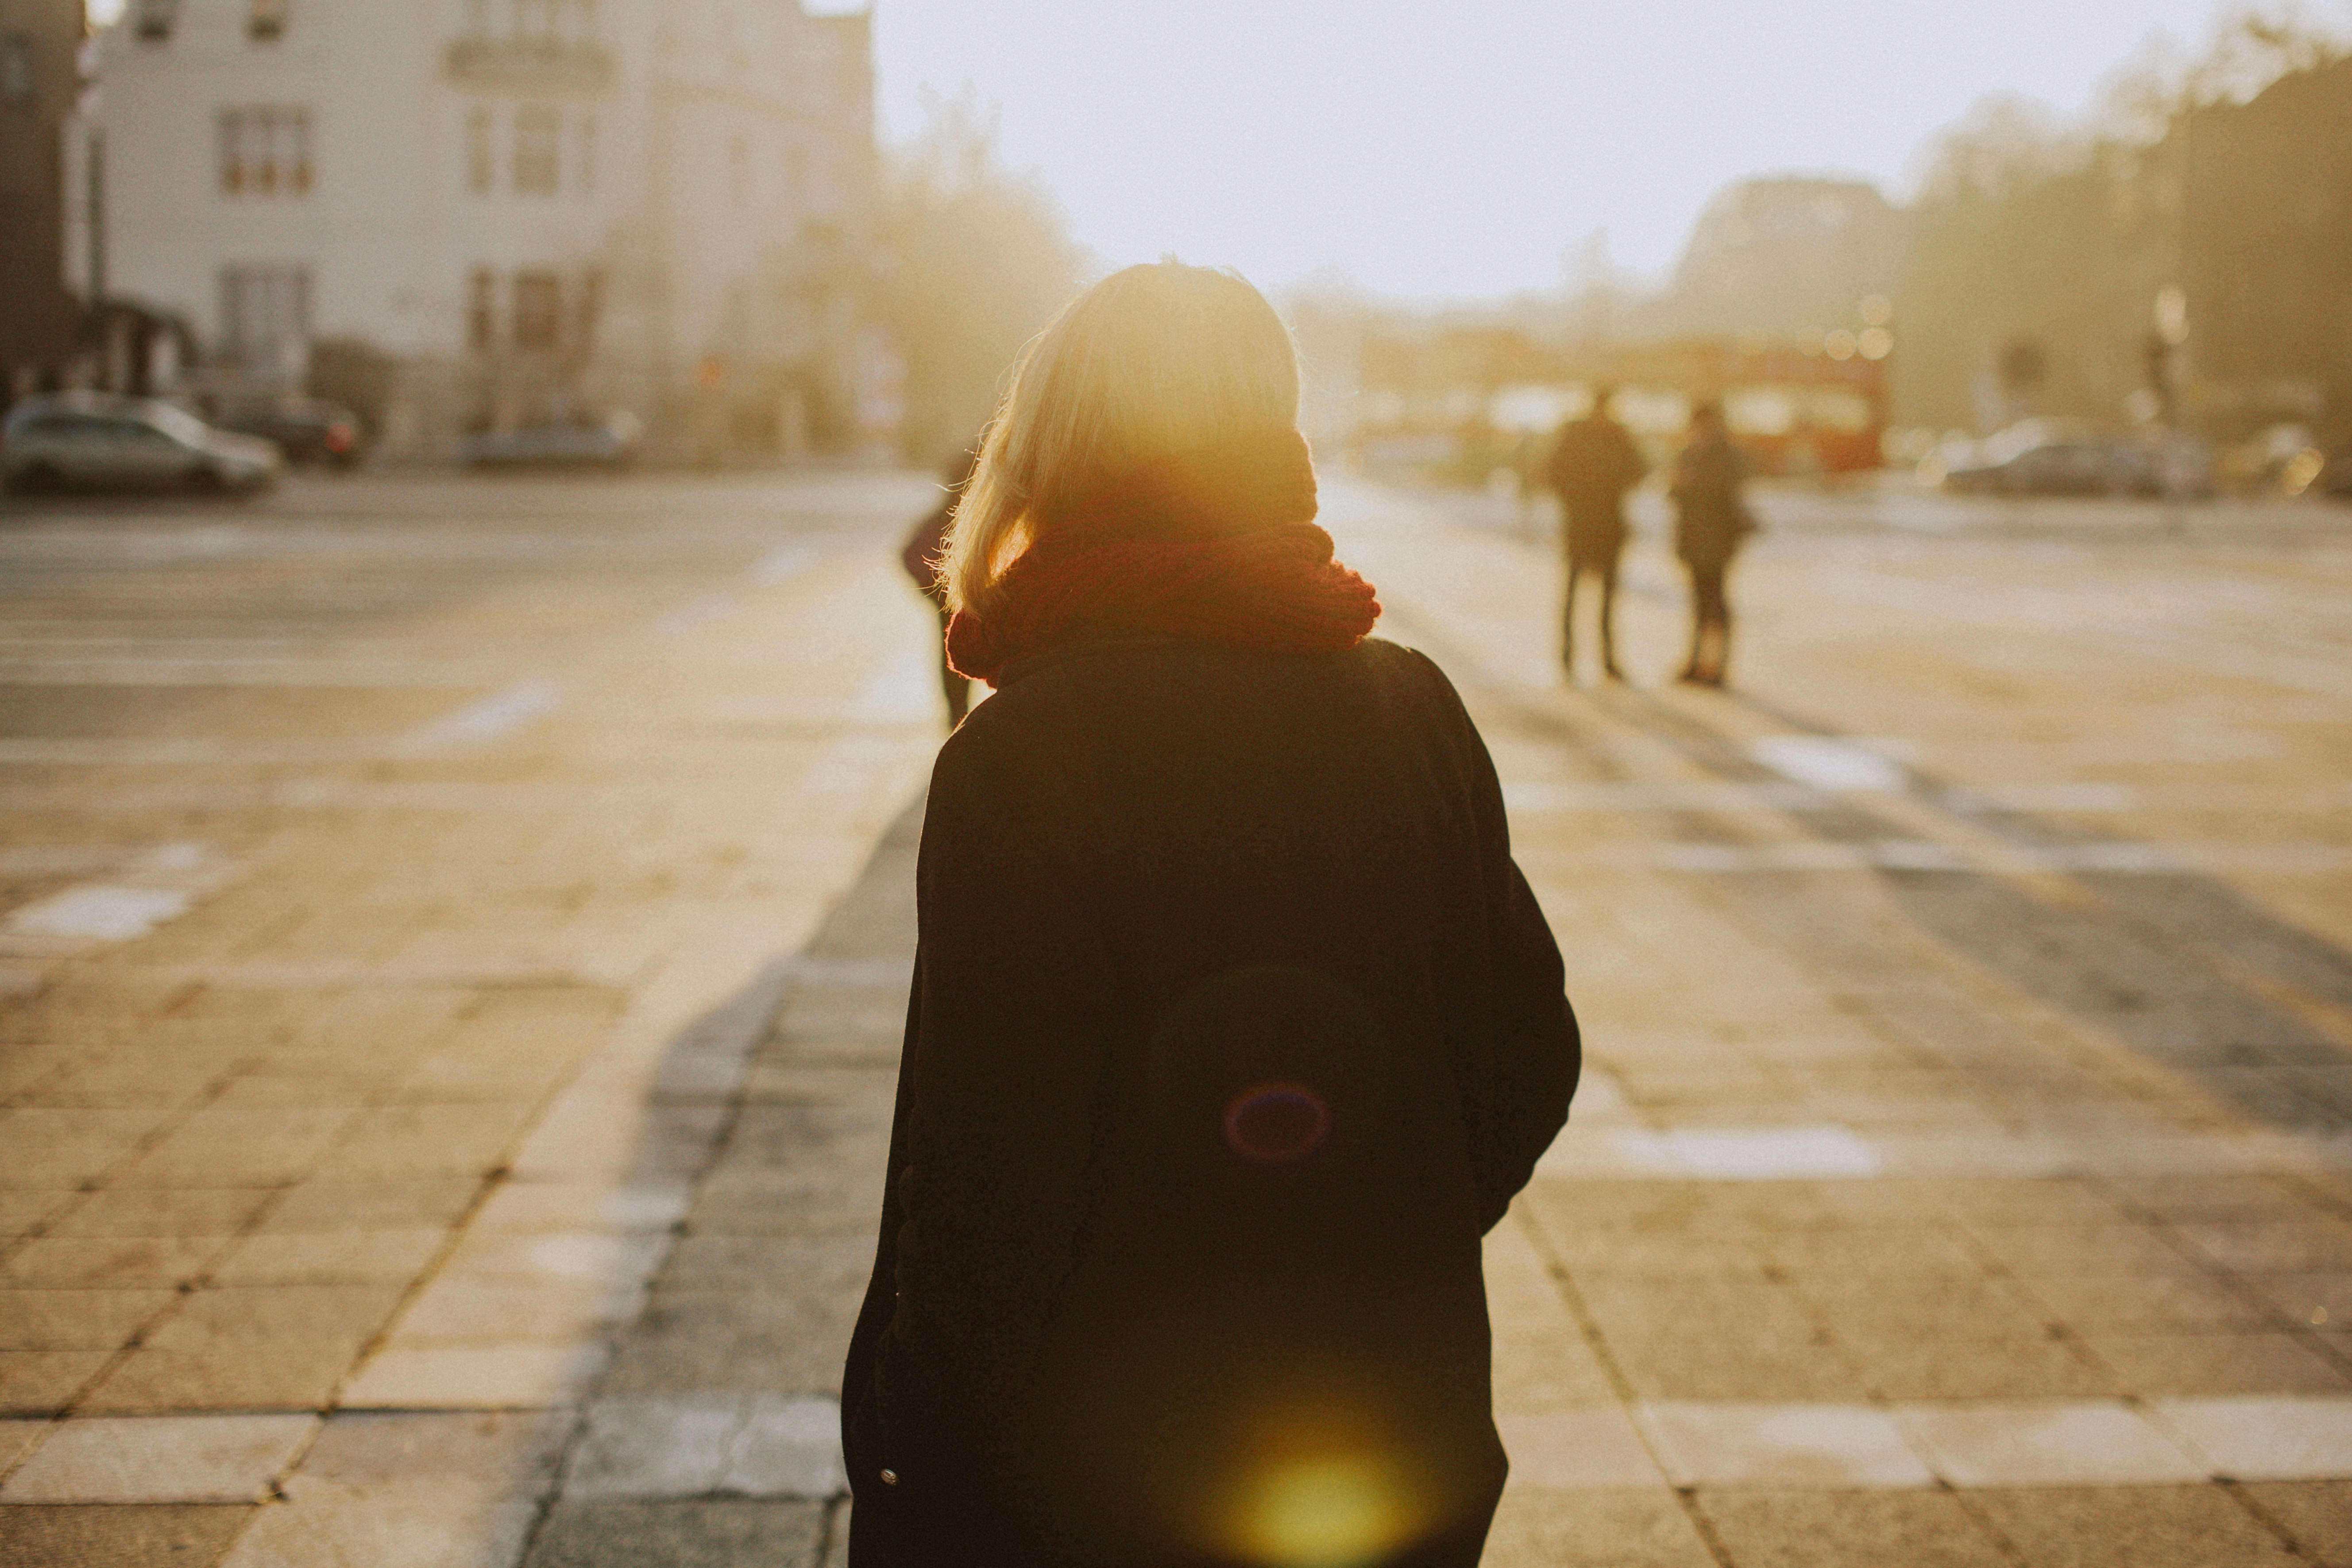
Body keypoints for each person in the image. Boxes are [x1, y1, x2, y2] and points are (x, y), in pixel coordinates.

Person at [841, 262, 1581, 1568]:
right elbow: (1529, 1050)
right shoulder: (1408, 708)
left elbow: (989, 1181)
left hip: (1102, 1481)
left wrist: (921, 1449)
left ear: (1055, 444)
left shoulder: (1031, 755)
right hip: (1391, 1443)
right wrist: (1375, 1230)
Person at [1546, 389, 1648, 681]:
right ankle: (1572, 655)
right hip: (1588, 525)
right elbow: (1553, 474)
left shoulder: (1603, 435)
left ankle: (1600, 657)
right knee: (1579, 594)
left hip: (1600, 526)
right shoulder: (1589, 434)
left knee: (1598, 597)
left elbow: (1638, 471)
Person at [1669, 400, 1752, 687]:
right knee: (1698, 604)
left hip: (1717, 541)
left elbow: (1723, 490)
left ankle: (1717, 664)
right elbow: (1674, 494)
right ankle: (1696, 660)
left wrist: (1692, 484)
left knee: (1716, 603)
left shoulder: (1725, 455)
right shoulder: (1688, 454)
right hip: (1693, 540)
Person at [900, 445, 981, 727]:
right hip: (959, 603)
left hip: (956, 603)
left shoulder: (945, 515)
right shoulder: (960, 516)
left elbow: (909, 555)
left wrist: (935, 591)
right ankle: (958, 716)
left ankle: (957, 716)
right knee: (954, 662)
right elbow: (911, 555)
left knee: (952, 662)